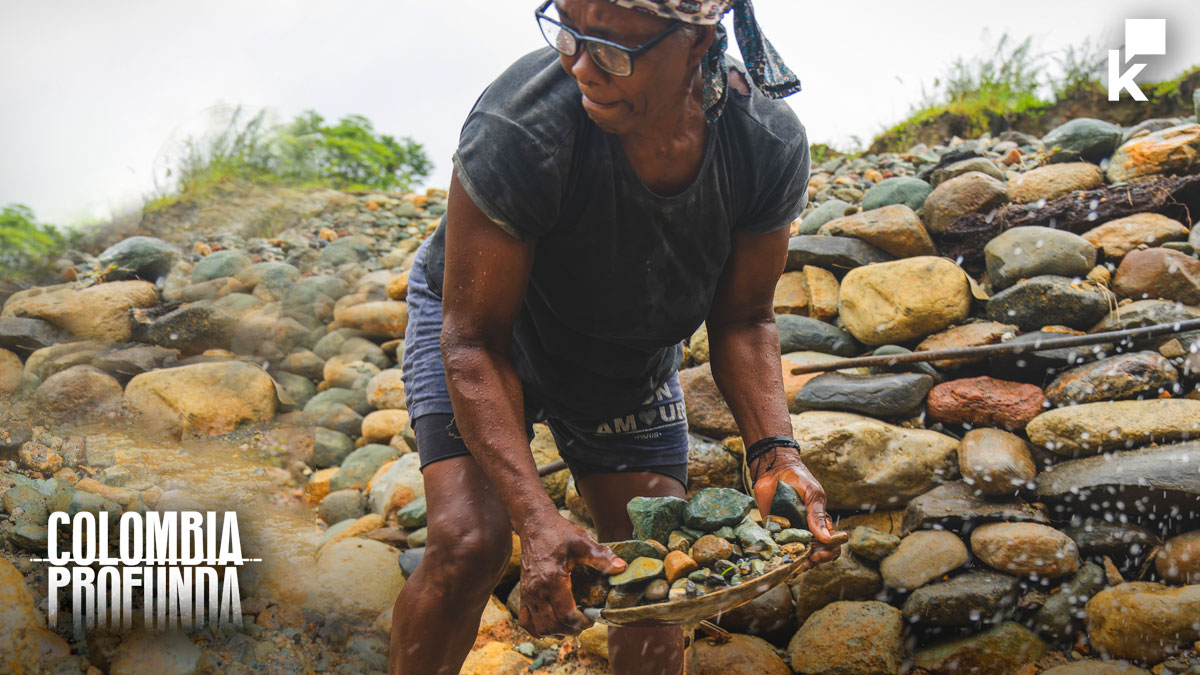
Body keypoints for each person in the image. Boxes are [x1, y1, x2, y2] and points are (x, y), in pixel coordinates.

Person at [389, 1, 840, 673]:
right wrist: (535, 517)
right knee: (471, 541)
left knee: (655, 563)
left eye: (613, 53)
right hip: (493, 336)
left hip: (624, 358)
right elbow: (473, 343)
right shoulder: (522, 123)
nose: (579, 67)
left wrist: (775, 449)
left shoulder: (762, 141)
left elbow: (744, 319)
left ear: (697, 45)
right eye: (568, 34)